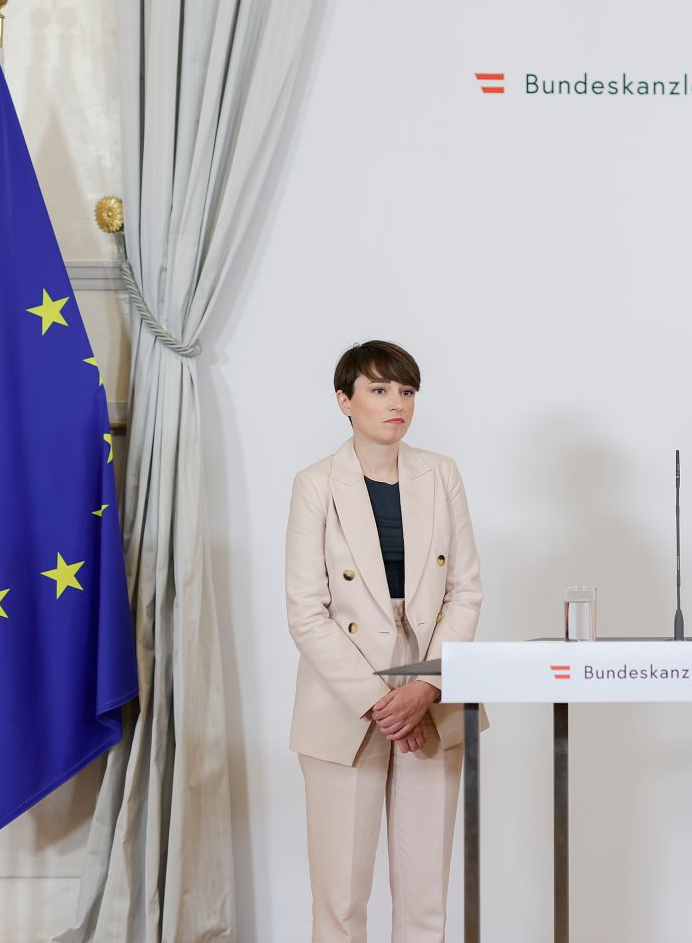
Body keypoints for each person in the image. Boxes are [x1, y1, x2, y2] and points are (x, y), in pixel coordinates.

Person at [285, 340, 486, 943]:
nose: (396, 403)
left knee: (426, 898)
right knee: (342, 899)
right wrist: (382, 703)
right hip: (344, 692)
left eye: (405, 390)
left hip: (431, 683)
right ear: (344, 401)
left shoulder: (441, 473)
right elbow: (305, 610)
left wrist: (425, 684)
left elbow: (466, 591)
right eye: (378, 390)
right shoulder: (315, 483)